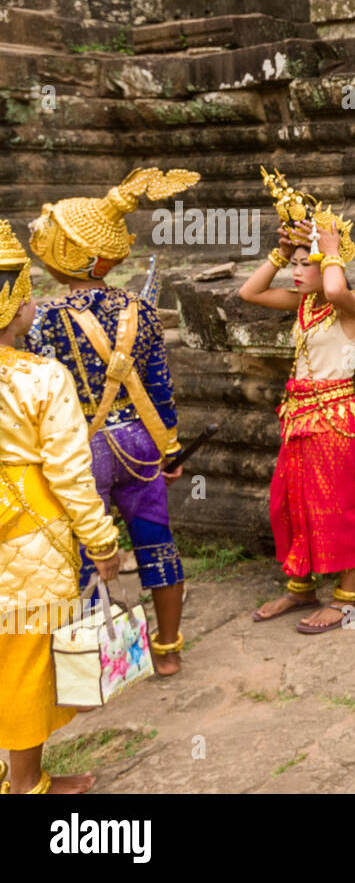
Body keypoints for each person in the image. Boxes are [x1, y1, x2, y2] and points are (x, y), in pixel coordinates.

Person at [24, 168, 197, 676]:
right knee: (157, 542)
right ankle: (167, 649)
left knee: (85, 553)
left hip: (82, 450)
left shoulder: (45, 320)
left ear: (67, 256)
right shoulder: (140, 311)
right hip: (140, 442)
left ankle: (94, 662)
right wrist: (170, 449)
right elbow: (160, 386)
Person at [0, 220, 124, 794]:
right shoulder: (41, 378)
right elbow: (72, 475)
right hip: (28, 540)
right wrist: (101, 542)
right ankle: (26, 784)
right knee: (24, 660)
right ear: (18, 302)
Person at [240, 168, 355, 632]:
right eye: (293, 264)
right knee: (290, 503)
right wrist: (279, 251)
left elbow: (336, 286)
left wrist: (330, 249)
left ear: (329, 265)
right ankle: (301, 587)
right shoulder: (303, 305)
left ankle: (348, 599)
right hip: (299, 418)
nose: (295, 272)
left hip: (334, 422)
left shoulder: (350, 306)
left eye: (303, 263)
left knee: (334, 507)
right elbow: (248, 291)